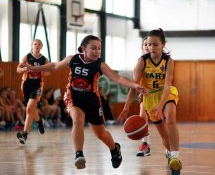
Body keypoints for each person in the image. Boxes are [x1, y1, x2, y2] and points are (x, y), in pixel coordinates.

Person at [20, 35, 148, 170]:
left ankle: (114, 148)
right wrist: (33, 68)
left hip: (92, 100)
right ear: (83, 48)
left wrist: (134, 85)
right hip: (73, 96)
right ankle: (79, 154)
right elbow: (55, 65)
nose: (97, 51)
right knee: (77, 119)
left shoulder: (100, 65)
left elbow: (117, 78)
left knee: (101, 134)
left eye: (99, 48)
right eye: (93, 48)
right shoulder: (73, 59)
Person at [117, 29, 182, 174]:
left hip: (166, 93)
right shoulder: (142, 62)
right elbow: (134, 87)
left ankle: (176, 159)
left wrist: (160, 106)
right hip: (150, 98)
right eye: (149, 44)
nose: (152, 47)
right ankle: (168, 153)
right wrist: (127, 107)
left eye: (155, 44)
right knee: (165, 139)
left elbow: (167, 86)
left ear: (163, 44)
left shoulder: (168, 61)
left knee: (171, 117)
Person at [16, 39, 49, 144]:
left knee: (29, 109)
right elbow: (18, 69)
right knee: (32, 110)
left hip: (37, 86)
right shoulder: (27, 57)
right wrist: (24, 69)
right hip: (26, 86)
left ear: (41, 47)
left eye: (39, 44)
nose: (37, 46)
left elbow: (48, 72)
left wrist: (43, 71)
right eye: (35, 44)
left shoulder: (44, 59)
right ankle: (39, 122)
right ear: (32, 46)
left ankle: (25, 134)